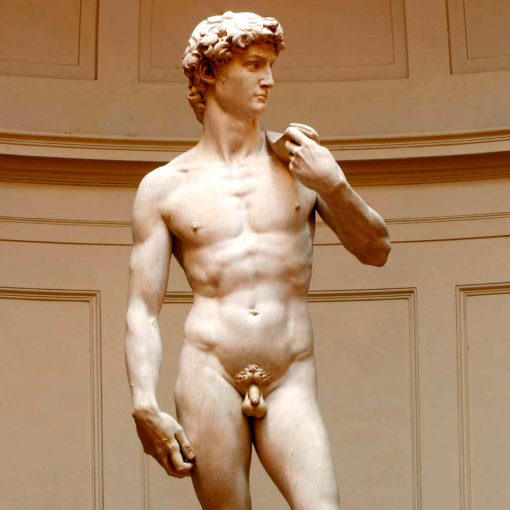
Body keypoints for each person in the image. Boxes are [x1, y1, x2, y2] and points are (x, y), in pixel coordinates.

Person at [125, 11, 390, 510]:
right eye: (253, 65)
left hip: (290, 373)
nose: (269, 80)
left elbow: (376, 249)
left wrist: (333, 183)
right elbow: (143, 309)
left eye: (270, 65)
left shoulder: (300, 164)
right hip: (208, 371)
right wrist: (143, 402)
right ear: (211, 73)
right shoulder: (163, 188)